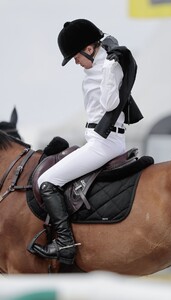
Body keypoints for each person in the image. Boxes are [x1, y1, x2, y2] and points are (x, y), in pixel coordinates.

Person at [33, 19, 143, 264]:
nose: (76, 62)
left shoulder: (108, 66)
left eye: (76, 56)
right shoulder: (97, 66)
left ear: (89, 49)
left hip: (104, 144)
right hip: (99, 140)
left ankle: (65, 244)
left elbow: (110, 105)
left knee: (46, 180)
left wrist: (108, 70)